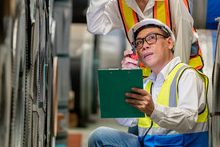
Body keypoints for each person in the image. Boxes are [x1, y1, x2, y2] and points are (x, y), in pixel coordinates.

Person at [88, 19, 209, 147]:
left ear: (169, 43)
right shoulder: (147, 84)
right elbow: (126, 120)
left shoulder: (186, 75)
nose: (144, 45)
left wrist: (153, 110)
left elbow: (188, 121)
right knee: (99, 136)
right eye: (139, 43)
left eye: (151, 38)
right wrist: (124, 79)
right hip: (149, 144)